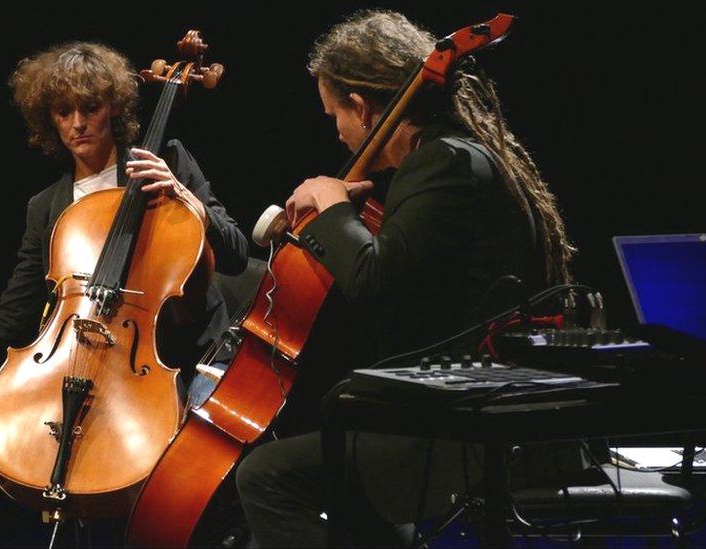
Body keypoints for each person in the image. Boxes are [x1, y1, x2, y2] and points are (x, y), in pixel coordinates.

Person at [0, 41, 247, 547]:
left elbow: (239, 252)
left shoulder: (165, 160)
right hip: (79, 357)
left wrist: (184, 198)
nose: (78, 123)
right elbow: (13, 314)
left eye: (89, 108)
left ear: (113, 107)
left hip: (168, 357)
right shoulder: (47, 208)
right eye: (63, 112)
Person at [235, 10, 579, 547]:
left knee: (266, 475)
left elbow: (375, 279)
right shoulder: (455, 159)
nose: (339, 133)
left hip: (461, 425)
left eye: (335, 116)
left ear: (361, 106)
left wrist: (330, 209)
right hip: (462, 410)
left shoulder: (441, 163)